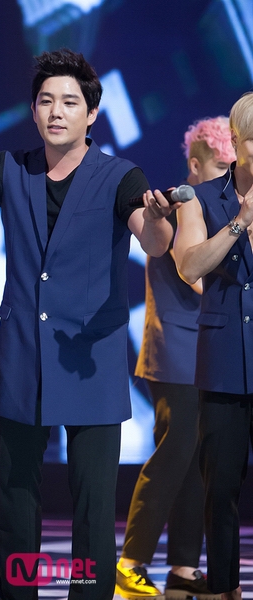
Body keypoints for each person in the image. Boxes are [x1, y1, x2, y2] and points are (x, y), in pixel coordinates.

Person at [0, 48, 179, 600]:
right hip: (22, 358)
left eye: (70, 102)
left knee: (93, 510)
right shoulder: (8, 167)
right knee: (16, 504)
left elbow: (152, 241)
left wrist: (158, 221)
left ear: (91, 114)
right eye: (47, 100)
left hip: (90, 362)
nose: (57, 111)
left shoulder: (120, 176)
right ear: (33, 110)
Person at [116, 117, 235, 600]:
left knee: (196, 461)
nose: (230, 174)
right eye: (222, 166)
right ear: (196, 165)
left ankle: (184, 566)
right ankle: (130, 562)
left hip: (209, 351)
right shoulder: (182, 203)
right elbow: (199, 278)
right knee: (174, 453)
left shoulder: (222, 207)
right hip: (175, 351)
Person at [173, 92, 253, 600]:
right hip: (225, 360)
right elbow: (190, 266)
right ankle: (224, 588)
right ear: (238, 142)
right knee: (221, 485)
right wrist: (241, 220)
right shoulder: (199, 198)